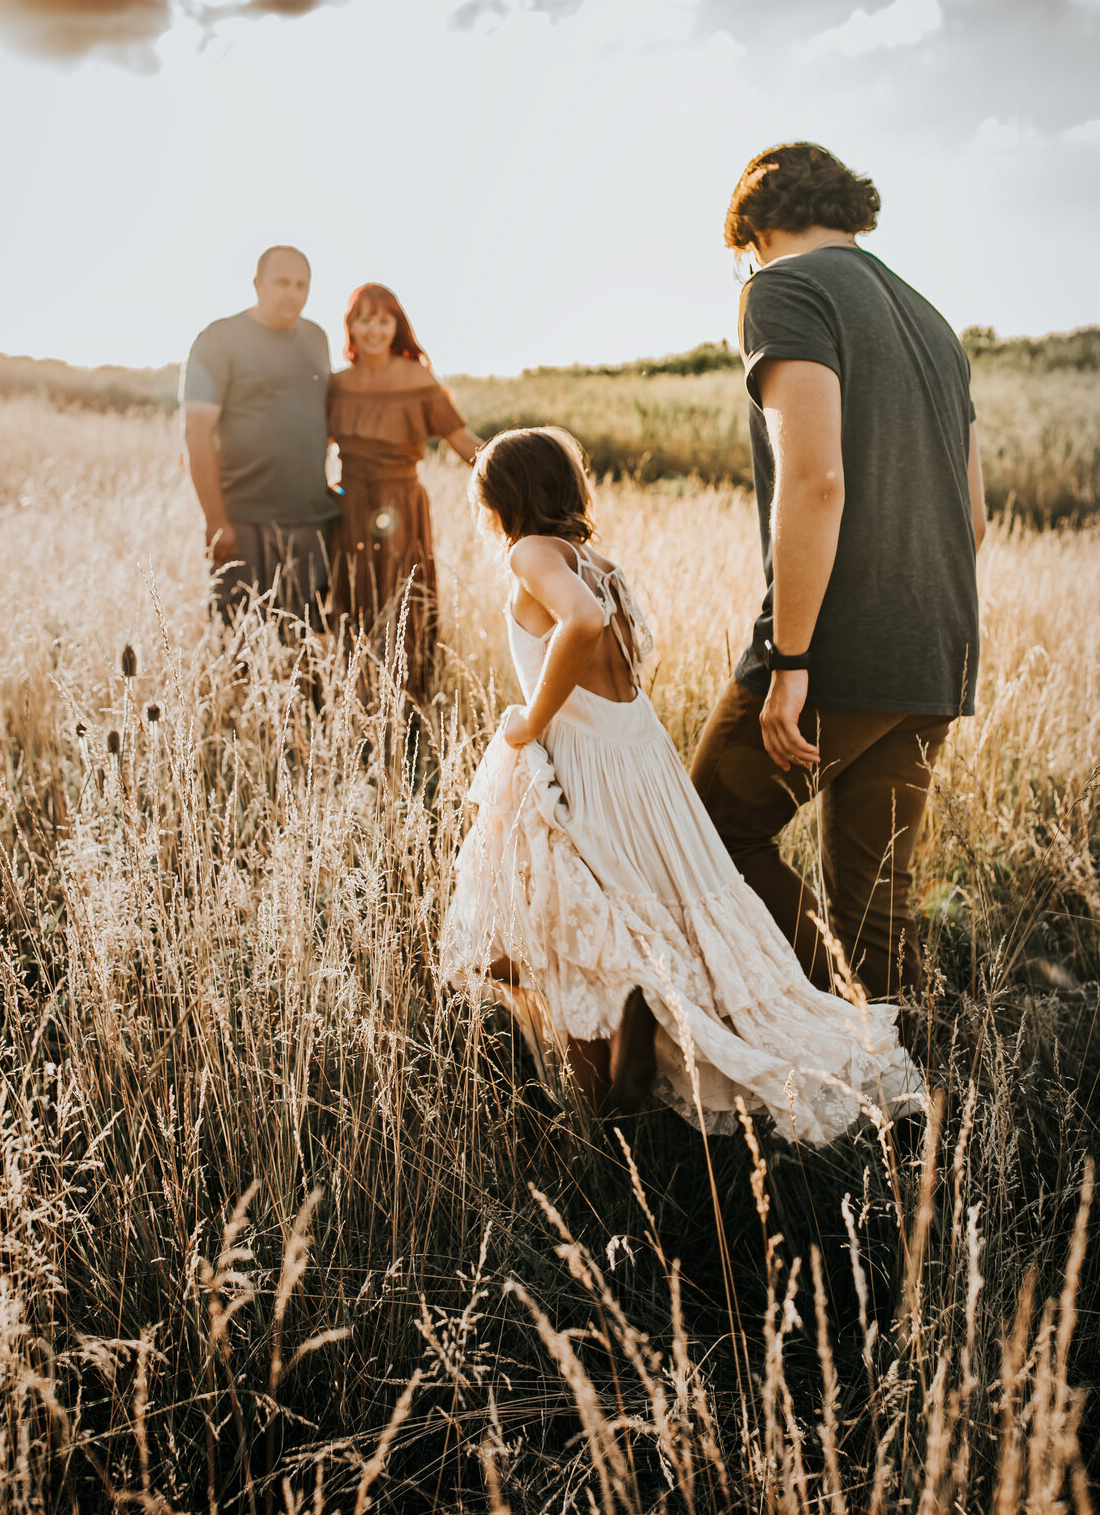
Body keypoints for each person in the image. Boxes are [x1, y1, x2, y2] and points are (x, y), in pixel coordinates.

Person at [441, 427, 923, 1143]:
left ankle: (596, 1119)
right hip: (637, 755)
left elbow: (582, 621)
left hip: (586, 757)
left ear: (505, 499)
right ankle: (627, 1069)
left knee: (555, 928)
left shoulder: (530, 551)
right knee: (625, 921)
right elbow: (627, 651)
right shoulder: (595, 557)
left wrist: (526, 722)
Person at [690, 142, 986, 1006]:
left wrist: (790, 658)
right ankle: (888, 1097)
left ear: (756, 227)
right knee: (878, 904)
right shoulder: (934, 321)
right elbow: (971, 520)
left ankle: (834, 1022)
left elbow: (814, 479)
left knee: (706, 834)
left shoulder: (782, 287)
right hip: (939, 646)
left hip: (837, 641)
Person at [328, 284, 481, 697]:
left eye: (383, 319)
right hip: (349, 505)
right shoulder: (336, 385)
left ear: (396, 325)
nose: (374, 329)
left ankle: (410, 701)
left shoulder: (415, 377)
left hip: (403, 503)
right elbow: (311, 451)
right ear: (351, 326)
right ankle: (356, 702)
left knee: (404, 600)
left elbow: (462, 441)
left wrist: (517, 469)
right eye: (365, 319)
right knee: (354, 599)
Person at [181, 245, 340, 631]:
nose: (293, 293)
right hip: (244, 520)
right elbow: (197, 434)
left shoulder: (316, 338)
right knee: (241, 643)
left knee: (304, 643)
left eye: (302, 285)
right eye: (282, 282)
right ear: (257, 284)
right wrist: (216, 519)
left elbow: (327, 418)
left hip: (310, 520)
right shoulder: (219, 339)